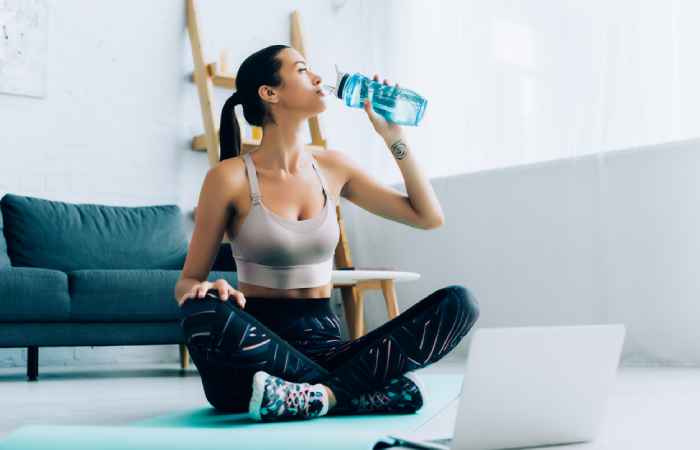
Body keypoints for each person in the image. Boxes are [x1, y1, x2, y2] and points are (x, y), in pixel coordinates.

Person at [174, 44, 480, 422]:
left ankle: (319, 397)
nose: (319, 78)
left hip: (326, 346)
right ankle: (355, 392)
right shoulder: (229, 177)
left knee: (459, 303)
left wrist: (393, 137)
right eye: (303, 70)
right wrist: (206, 290)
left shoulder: (334, 166)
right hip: (254, 351)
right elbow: (188, 280)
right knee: (200, 311)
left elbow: (427, 216)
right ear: (270, 93)